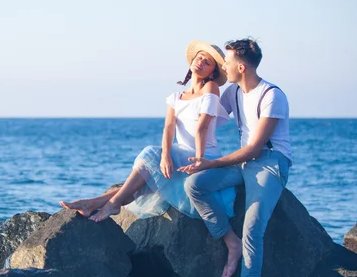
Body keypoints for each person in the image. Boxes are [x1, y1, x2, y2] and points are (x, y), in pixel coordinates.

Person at [60, 41, 235, 240]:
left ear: (213, 71)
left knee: (150, 155)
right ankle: (95, 202)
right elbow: (169, 127)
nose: (201, 62)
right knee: (145, 179)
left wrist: (199, 159)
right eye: (199, 57)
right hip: (180, 153)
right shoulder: (176, 97)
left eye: (208, 62)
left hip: (202, 155)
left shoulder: (210, 88)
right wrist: (166, 156)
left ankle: (112, 203)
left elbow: (202, 127)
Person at [178, 38, 291, 277]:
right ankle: (230, 241)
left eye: (226, 63)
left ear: (240, 67)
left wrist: (211, 162)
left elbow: (254, 149)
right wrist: (197, 83)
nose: (223, 67)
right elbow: (207, 116)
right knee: (195, 185)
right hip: (243, 165)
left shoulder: (272, 95)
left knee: (253, 229)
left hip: (269, 163)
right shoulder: (232, 91)